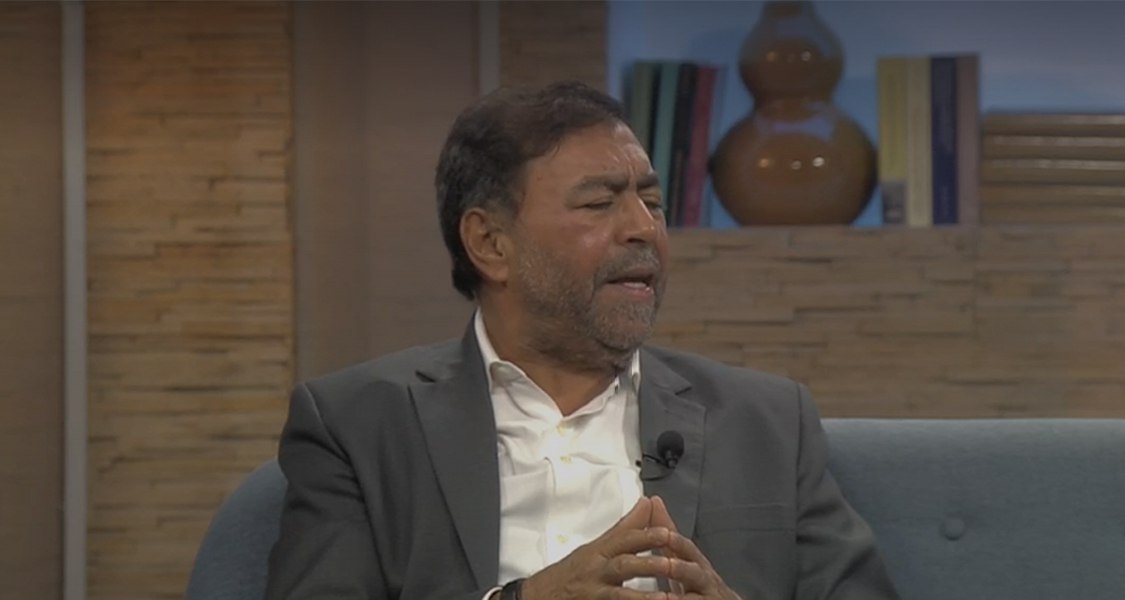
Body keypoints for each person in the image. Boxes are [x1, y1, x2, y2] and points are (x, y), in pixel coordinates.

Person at [265, 81, 899, 600]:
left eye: (653, 202)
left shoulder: (768, 420)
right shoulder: (359, 424)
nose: (643, 229)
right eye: (600, 204)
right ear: (490, 243)